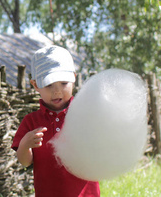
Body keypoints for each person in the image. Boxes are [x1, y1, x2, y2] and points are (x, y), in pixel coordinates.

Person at [11, 45, 100, 196]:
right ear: (35, 85)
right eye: (49, 84)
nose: (57, 91)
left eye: (64, 83)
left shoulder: (86, 115)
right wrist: (25, 145)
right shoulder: (31, 122)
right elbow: (25, 162)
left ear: (74, 78)